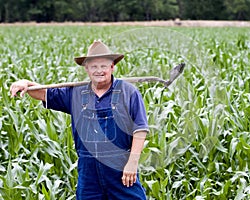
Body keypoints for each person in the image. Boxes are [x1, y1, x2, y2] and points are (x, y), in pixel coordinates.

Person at [10, 40, 149, 199]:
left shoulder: (128, 92)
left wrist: (132, 163)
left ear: (112, 67)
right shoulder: (75, 94)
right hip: (88, 173)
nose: (99, 71)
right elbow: (43, 93)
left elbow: (140, 129)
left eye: (103, 66)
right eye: (94, 66)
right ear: (87, 69)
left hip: (120, 169)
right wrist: (26, 84)